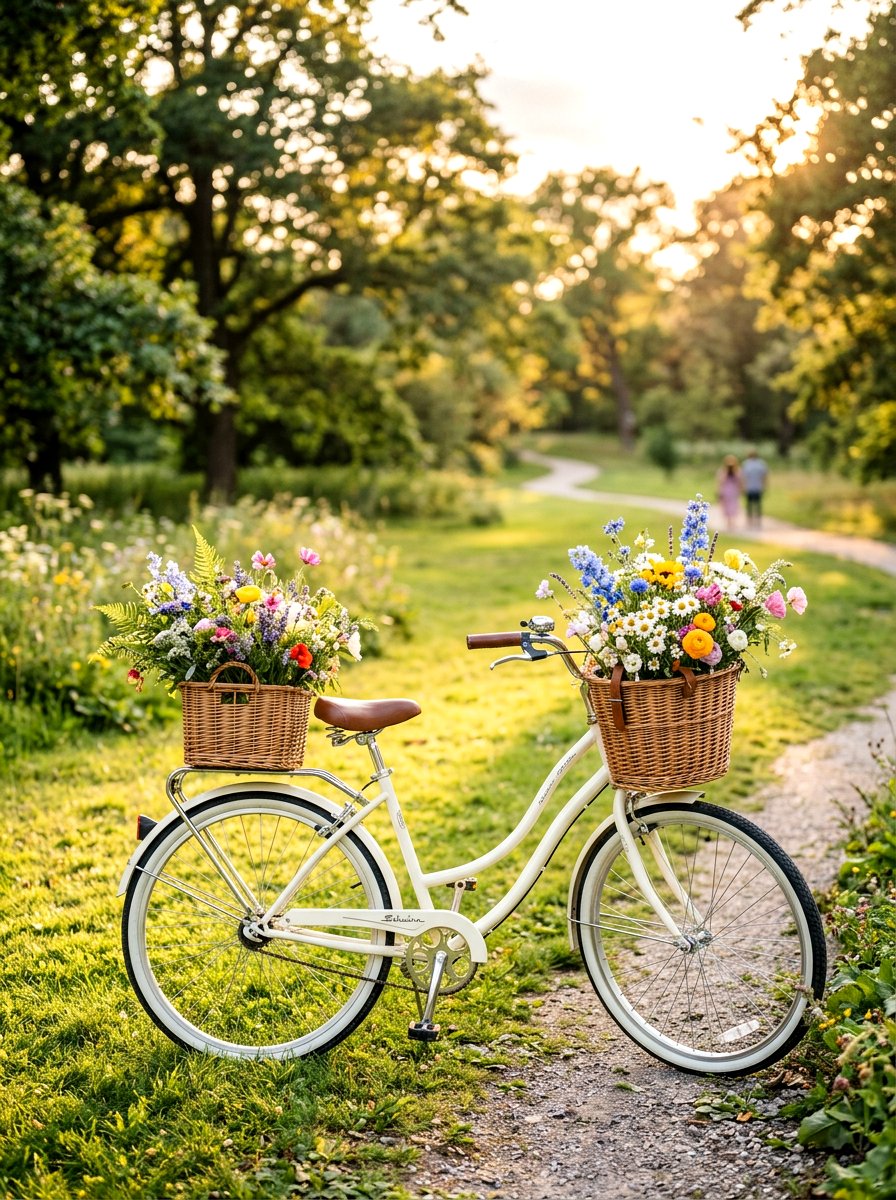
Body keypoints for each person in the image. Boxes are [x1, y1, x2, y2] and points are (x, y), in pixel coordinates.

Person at [741, 448, 769, 527]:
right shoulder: (761, 464)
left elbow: (743, 477)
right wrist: (765, 486)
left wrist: (742, 487)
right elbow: (764, 476)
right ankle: (757, 521)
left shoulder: (746, 464)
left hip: (750, 487)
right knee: (757, 504)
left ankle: (750, 521)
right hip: (757, 487)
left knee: (750, 505)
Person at [716, 454, 742, 529]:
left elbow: (740, 481)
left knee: (731, 506)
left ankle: (731, 521)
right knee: (729, 506)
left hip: (730, 491)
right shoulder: (724, 472)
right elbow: (720, 482)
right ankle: (730, 521)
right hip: (730, 491)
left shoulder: (736, 471)